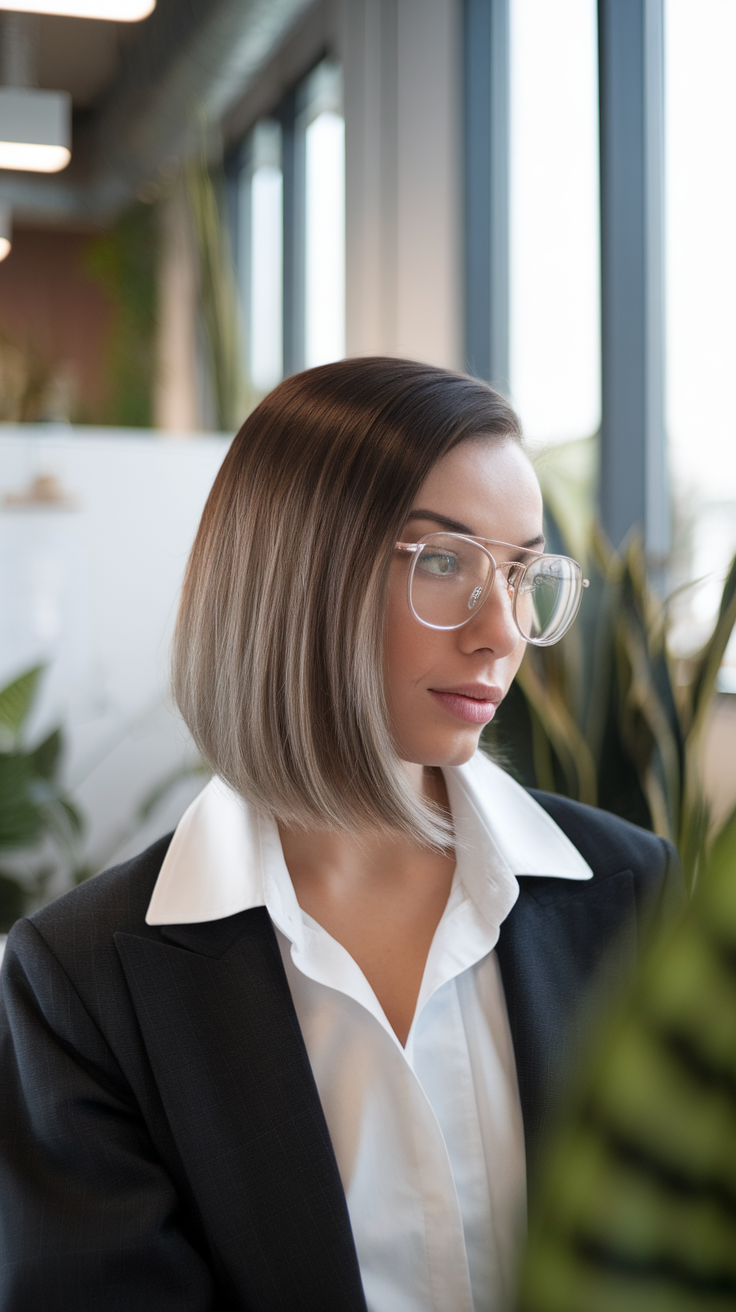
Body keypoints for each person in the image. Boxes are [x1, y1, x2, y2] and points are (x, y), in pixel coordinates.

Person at [0, 358, 682, 1312]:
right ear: (296, 579)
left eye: (522, 571)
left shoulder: (631, 890)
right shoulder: (79, 983)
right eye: (443, 561)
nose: (501, 632)